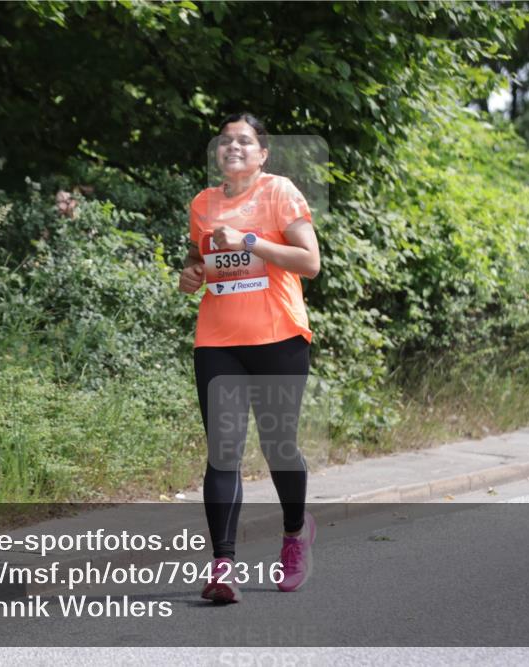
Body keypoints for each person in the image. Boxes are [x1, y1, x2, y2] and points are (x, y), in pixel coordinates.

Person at [178, 112, 321, 603]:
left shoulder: (281, 192)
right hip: (218, 340)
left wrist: (252, 241)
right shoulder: (203, 204)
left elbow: (310, 262)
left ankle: (295, 533)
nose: (233, 147)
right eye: (225, 141)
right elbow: (201, 260)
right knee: (224, 450)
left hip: (279, 336)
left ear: (262, 153)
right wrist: (191, 274)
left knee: (279, 445)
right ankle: (222, 566)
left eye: (245, 141)